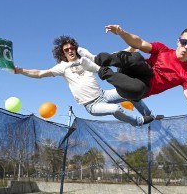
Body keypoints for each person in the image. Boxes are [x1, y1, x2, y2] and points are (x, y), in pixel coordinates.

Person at [14, 35, 159, 126]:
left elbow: (112, 56)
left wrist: (130, 48)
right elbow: (39, 73)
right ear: (62, 53)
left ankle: (148, 115)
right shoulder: (62, 67)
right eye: (66, 50)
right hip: (92, 105)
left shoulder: (86, 59)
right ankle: (137, 122)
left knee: (130, 92)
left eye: (72, 48)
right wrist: (20, 70)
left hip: (103, 95)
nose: (70, 51)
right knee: (115, 109)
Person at [92, 25, 187, 107]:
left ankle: (100, 70)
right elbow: (139, 43)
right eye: (184, 42)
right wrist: (121, 32)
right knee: (137, 57)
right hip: (131, 70)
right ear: (178, 41)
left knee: (137, 90)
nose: (186, 47)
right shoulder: (162, 49)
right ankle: (96, 59)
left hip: (138, 87)